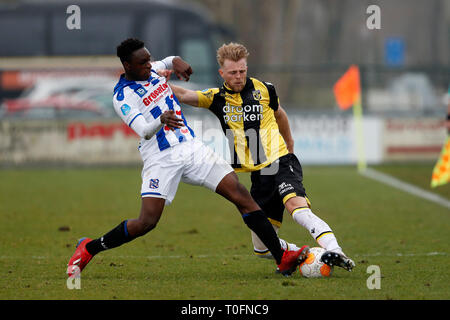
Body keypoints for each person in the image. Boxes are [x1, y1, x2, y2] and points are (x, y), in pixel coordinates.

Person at [66, 38, 310, 279]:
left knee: (240, 194)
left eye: (150, 59)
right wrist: (160, 120)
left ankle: (282, 257)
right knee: (147, 221)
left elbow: (169, 60)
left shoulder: (151, 69)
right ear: (128, 66)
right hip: (161, 158)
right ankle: (89, 247)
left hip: (191, 148)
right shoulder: (122, 98)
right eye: (143, 63)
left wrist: (178, 61)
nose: (150, 65)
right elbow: (143, 130)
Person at [169, 42, 355, 271]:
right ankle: (301, 252)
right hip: (259, 174)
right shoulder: (215, 97)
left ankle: (336, 251)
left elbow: (280, 115)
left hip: (280, 161)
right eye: (233, 73)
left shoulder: (265, 89)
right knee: (262, 248)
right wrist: (158, 84)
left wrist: (290, 143)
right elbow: (185, 94)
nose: (239, 76)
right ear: (222, 73)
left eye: (242, 71)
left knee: (297, 209)